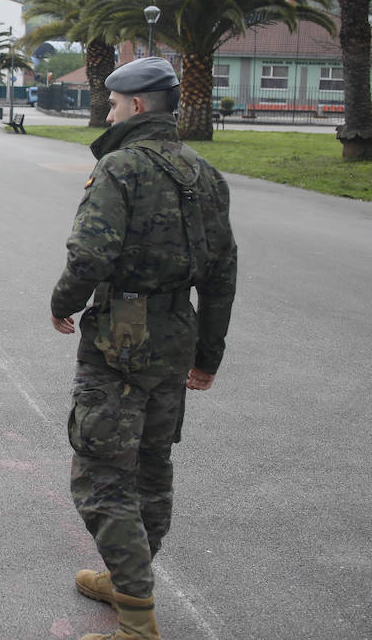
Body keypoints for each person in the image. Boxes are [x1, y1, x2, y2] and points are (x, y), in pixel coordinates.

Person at [49, 57, 237, 640]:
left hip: (121, 338)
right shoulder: (203, 173)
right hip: (176, 333)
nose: (107, 111)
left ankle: (137, 620)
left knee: (101, 473)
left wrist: (63, 302)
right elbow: (223, 272)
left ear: (135, 106)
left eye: (111, 103)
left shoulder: (120, 168)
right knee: (152, 467)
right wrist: (208, 355)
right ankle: (126, 576)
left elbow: (89, 256)